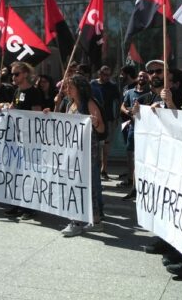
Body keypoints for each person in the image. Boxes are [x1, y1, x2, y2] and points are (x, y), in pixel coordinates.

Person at [57, 74, 106, 237]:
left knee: (84, 185)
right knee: (76, 184)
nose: (67, 89)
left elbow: (101, 129)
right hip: (72, 151)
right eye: (66, 87)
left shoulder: (89, 104)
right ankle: (95, 221)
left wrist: (95, 122)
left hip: (87, 152)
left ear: (80, 89)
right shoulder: (69, 104)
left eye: (70, 86)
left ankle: (77, 222)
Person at [0, 61, 43, 219]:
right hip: (16, 139)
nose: (13, 76)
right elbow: (13, 107)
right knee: (16, 172)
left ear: (25, 74)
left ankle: (30, 208)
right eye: (12, 74)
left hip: (29, 139)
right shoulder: (16, 91)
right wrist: (4, 107)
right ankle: (16, 203)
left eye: (16, 74)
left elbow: (36, 114)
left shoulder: (34, 92)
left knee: (28, 173)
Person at [119, 70, 150, 199]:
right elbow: (122, 106)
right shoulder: (130, 92)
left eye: (144, 76)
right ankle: (132, 181)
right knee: (131, 154)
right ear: (137, 78)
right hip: (132, 128)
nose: (142, 77)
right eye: (140, 75)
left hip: (146, 130)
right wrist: (128, 112)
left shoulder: (150, 94)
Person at [90, 66, 119, 180]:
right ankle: (95, 169)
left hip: (108, 118)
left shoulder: (112, 87)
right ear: (99, 73)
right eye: (104, 74)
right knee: (96, 145)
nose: (106, 77)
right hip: (94, 117)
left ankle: (104, 169)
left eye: (108, 75)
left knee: (106, 146)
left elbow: (117, 101)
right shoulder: (92, 84)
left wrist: (116, 117)